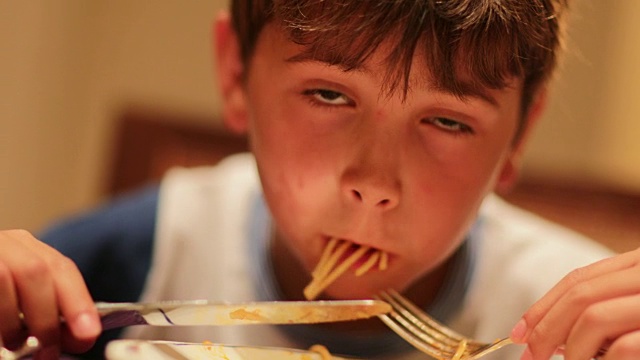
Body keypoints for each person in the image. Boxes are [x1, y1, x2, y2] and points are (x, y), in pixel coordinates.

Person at [1, 0, 639, 359]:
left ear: (519, 135)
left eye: (447, 120)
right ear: (234, 73)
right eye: (330, 95)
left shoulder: (579, 328)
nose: (375, 182)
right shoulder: (138, 260)